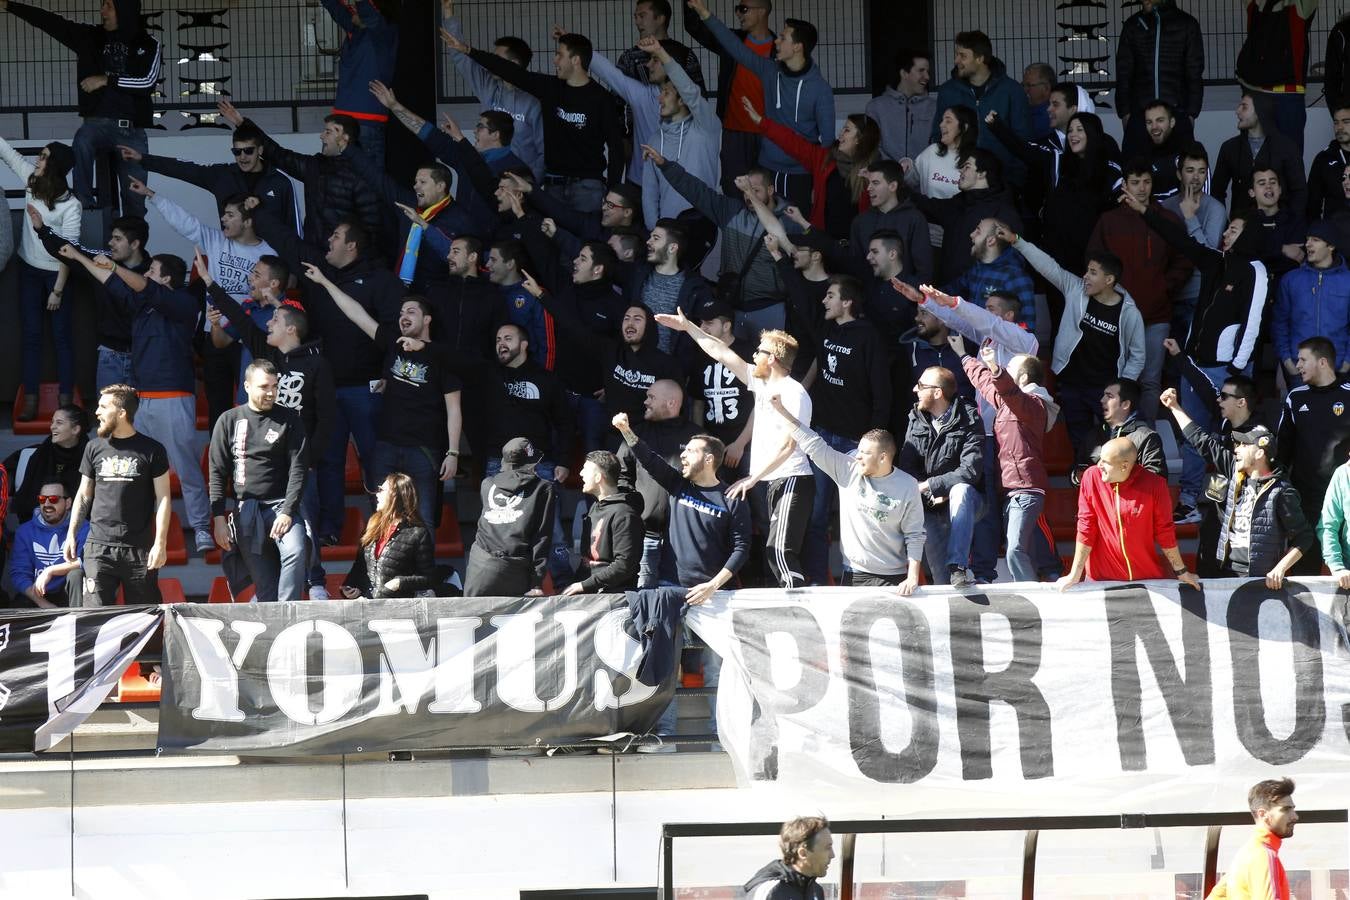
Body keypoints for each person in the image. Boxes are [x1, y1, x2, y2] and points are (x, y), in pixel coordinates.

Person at [46, 233, 214, 554]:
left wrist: (113, 265)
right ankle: (142, 530)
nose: (147, 274)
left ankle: (202, 528)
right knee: (139, 470)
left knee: (187, 468)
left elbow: (135, 283)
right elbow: (113, 282)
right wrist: (81, 259)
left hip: (173, 396)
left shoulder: (183, 302)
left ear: (166, 278)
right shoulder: (142, 305)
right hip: (142, 399)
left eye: (152, 271)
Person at [200, 252, 337, 601]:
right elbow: (242, 324)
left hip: (299, 460)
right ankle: (268, 591)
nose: (268, 324)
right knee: (267, 538)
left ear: (290, 327)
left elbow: (326, 419)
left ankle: (316, 581)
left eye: (275, 319)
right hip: (265, 468)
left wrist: (310, 458)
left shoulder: (317, 363)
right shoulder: (270, 357)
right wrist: (211, 284)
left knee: (303, 525)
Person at [612, 412, 750, 745]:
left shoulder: (731, 499)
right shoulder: (678, 485)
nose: (683, 456)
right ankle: (665, 736)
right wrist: (627, 431)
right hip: (670, 592)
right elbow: (650, 460)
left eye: (690, 451)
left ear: (710, 458)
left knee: (717, 670)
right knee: (668, 667)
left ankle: (722, 737)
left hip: (715, 597)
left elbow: (742, 549)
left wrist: (713, 584)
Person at [660, 311, 813, 588]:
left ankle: (797, 604)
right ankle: (786, 600)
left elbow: (791, 445)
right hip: (767, 480)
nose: (754, 355)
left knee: (780, 550)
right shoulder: (761, 383)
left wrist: (752, 477)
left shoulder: (794, 392)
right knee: (772, 549)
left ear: (773, 359)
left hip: (792, 478)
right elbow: (719, 351)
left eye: (760, 351)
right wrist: (688, 326)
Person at [305, 269, 462, 528]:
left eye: (411, 312)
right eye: (401, 313)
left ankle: (422, 569)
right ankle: (384, 569)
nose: (403, 317)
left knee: (423, 522)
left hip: (424, 450)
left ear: (427, 320)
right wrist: (324, 281)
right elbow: (356, 313)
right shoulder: (394, 344)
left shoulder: (442, 357)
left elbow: (454, 409)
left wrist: (453, 452)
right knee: (384, 521)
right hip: (387, 447)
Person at [780, 271, 891, 585]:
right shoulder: (826, 327)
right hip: (823, 438)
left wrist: (873, 441)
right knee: (815, 516)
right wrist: (779, 260)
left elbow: (882, 392)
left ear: (847, 302)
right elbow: (802, 301)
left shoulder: (869, 337)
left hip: (856, 442)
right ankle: (817, 580)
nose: (824, 300)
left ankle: (855, 579)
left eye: (831, 296)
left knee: (857, 516)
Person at [997, 224, 1145, 459]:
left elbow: (1137, 355)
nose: (1085, 276)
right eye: (1087, 270)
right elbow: (1048, 267)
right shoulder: (1076, 289)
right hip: (1072, 384)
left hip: (1105, 388)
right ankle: (1084, 483)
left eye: (1093, 272)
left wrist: (1122, 387)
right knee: (1080, 441)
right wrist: (1017, 241)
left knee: (1114, 441)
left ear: (1109, 280)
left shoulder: (1129, 312)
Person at [1, 0, 161, 216]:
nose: (102, 10)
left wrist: (105, 80)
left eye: (109, 6)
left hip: (131, 131)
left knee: (135, 201)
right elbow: (52, 23)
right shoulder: (90, 36)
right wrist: (11, 6)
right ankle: (83, 205)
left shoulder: (148, 43)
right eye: (102, 5)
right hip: (96, 124)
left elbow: (147, 82)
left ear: (125, 10)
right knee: (82, 140)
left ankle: (135, 245)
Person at [443, 28, 624, 213]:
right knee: (554, 238)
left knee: (589, 240)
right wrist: (468, 51)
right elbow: (510, 71)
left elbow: (617, 148)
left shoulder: (602, 99)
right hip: (553, 184)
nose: (555, 60)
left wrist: (613, 189)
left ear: (575, 60)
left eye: (559, 55)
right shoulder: (550, 88)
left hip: (588, 187)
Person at [685, 0, 833, 213]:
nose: (776, 42)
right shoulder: (769, 71)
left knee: (797, 232)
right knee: (761, 226)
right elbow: (733, 45)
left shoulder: (821, 89)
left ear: (798, 47)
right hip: (768, 169)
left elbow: (827, 146)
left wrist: (820, 185)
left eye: (783, 38)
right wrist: (703, 12)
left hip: (801, 175)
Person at [767, 397, 922, 591]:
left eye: (865, 453)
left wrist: (912, 577)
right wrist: (782, 410)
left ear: (883, 457)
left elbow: (915, 535)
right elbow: (814, 444)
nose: (857, 456)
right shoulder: (849, 469)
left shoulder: (908, 485)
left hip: (894, 578)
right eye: (858, 450)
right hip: (853, 574)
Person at [651, 151, 800, 338]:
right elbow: (697, 191)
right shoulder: (732, 211)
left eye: (755, 190)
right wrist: (665, 165)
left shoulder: (789, 221)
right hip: (731, 305)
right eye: (746, 190)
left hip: (770, 307)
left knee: (767, 365)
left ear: (770, 190)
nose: (748, 196)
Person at [1088, 165, 1192, 422]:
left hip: (1156, 315)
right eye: (1135, 182)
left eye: (1146, 181)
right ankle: (1114, 440)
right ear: (1125, 185)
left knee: (1150, 382)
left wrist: (1164, 287)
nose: (1142, 188)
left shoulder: (1166, 219)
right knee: (1115, 379)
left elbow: (1185, 258)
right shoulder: (1109, 221)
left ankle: (1146, 441)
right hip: (1116, 314)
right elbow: (1094, 261)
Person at [216, 100, 384, 249]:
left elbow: (373, 227)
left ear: (345, 138)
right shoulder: (314, 166)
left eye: (328, 132)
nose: (321, 136)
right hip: (314, 257)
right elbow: (277, 154)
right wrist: (241, 123)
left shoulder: (364, 173)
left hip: (346, 262)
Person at [208, 360, 308, 604]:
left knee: (295, 550)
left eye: (275, 386)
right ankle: (274, 632)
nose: (271, 392)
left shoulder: (289, 418)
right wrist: (219, 519)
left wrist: (288, 511)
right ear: (247, 386)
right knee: (265, 587)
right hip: (247, 510)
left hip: (281, 506)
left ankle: (287, 612)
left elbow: (299, 468)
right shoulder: (229, 420)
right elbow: (217, 472)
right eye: (264, 387)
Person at [66, 384, 172, 607]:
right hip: (98, 547)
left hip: (139, 549)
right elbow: (84, 494)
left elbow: (163, 498)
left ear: (122, 413)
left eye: (103, 407)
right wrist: (71, 533)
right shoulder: (93, 447)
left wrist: (160, 543)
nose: (97, 412)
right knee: (94, 618)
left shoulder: (153, 450)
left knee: (145, 619)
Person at [956, 341, 1051, 583]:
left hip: (1026, 489)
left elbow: (1007, 390)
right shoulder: (1008, 403)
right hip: (1011, 490)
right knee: (1020, 549)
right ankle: (1038, 584)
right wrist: (964, 356)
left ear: (1024, 376)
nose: (1004, 370)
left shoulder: (1035, 403)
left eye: (1010, 368)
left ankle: (1032, 595)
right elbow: (986, 384)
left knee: (1015, 550)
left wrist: (994, 367)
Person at [0, 137, 79, 418]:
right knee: (31, 336)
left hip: (57, 274)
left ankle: (66, 401)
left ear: (54, 166)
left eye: (43, 157)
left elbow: (69, 253)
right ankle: (30, 399)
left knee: (61, 338)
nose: (37, 160)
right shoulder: (33, 181)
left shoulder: (71, 206)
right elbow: (8, 154)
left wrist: (57, 290)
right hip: (29, 270)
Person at [1057, 437, 1198, 590]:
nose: (1099, 465)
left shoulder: (1155, 484)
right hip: (1100, 579)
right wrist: (1075, 574)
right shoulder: (1091, 477)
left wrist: (1182, 572)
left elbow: (1165, 531)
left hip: (1145, 579)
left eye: (1106, 462)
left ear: (1124, 466)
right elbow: (1086, 526)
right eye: (1100, 459)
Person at [1160, 368, 1260, 573]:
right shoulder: (1225, 421)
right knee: (1206, 566)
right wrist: (1180, 358)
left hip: (1244, 524)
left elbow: (1203, 442)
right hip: (1218, 514)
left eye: (1224, 396)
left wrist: (1176, 409)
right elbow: (1204, 387)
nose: (1218, 400)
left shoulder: (1259, 438)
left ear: (1241, 402)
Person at [738, 97, 879, 241]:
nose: (841, 134)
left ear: (860, 139)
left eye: (847, 130)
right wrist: (761, 122)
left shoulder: (874, 172)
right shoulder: (824, 158)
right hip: (824, 245)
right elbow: (792, 142)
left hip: (857, 248)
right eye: (843, 128)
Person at [121, 121, 300, 232]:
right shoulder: (221, 175)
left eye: (248, 151)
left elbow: (294, 227)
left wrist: (293, 270)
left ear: (260, 150)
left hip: (272, 263)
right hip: (232, 259)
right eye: (237, 151)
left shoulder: (281, 182)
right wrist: (143, 159)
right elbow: (184, 168)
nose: (242, 157)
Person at [439, 0, 544, 180]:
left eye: (496, 60)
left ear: (513, 65)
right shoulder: (488, 85)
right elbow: (461, 57)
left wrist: (531, 185)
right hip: (488, 177)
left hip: (520, 185)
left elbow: (544, 152)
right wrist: (448, 12)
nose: (490, 64)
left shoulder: (534, 101)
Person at [899, 365, 984, 587]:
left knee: (960, 490)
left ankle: (959, 566)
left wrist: (933, 487)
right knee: (942, 582)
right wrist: (930, 494)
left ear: (937, 392)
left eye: (920, 386)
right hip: (929, 504)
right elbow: (908, 466)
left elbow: (970, 470)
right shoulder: (916, 417)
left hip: (967, 500)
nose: (914, 390)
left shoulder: (969, 417)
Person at [682, 0, 774, 195]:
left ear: (762, 11)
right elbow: (694, 26)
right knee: (734, 192)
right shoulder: (731, 41)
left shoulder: (780, 48)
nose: (738, 14)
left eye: (743, 9)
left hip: (769, 135)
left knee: (768, 193)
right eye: (737, 9)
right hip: (734, 134)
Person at [615, 379, 701, 587]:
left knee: (683, 599)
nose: (645, 402)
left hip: (685, 539)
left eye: (651, 397)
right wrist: (632, 515)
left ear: (671, 403)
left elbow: (707, 482)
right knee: (645, 596)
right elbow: (621, 477)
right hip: (645, 536)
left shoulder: (696, 438)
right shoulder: (636, 434)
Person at [1277, 337, 1350, 574]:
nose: (1297, 365)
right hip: (1305, 501)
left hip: (1343, 502)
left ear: (1322, 362)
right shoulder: (1295, 398)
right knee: (1303, 577)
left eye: (1302, 359)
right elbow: (1282, 452)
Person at [635, 39, 721, 229]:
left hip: (702, 228)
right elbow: (649, 194)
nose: (659, 98)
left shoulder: (706, 129)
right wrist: (654, 232)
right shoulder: (655, 139)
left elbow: (690, 91)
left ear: (682, 100)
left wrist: (660, 52)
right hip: (667, 232)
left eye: (665, 93)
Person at [930, 30, 1032, 187]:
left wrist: (1015, 182)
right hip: (955, 181)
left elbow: (1023, 140)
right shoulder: (947, 91)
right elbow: (938, 135)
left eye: (963, 56)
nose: (956, 60)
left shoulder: (1012, 91)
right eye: (957, 54)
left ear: (980, 58)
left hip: (1001, 182)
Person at [908, 146, 1022, 283]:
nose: (960, 170)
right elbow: (927, 206)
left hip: (981, 298)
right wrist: (898, 186)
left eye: (967, 167)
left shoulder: (1003, 212)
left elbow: (1015, 258)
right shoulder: (959, 202)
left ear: (981, 174)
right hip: (950, 294)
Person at [464, 437, 558, 596]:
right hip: (516, 567)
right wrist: (537, 581)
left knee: (473, 619)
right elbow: (542, 537)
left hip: (479, 566)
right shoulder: (544, 488)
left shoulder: (487, 484)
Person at [1114, 0, 1204, 159]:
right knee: (1136, 173)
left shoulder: (1187, 24)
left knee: (1179, 172)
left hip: (1177, 114)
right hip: (1139, 116)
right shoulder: (1132, 25)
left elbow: (1194, 73)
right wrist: (1125, 113)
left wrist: (1191, 113)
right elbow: (1123, 74)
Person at [1159, 143, 1227, 343]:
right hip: (1168, 293)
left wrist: (1190, 216)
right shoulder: (1166, 206)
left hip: (1198, 295)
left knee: (1189, 358)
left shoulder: (1215, 208)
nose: (1196, 177)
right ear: (1179, 174)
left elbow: (1207, 256)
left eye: (1201, 171)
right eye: (1190, 171)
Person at [319, 0, 397, 171]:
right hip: (344, 122)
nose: (351, 11)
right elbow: (335, 8)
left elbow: (369, 14)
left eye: (354, 9)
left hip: (365, 123)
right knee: (339, 185)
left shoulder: (383, 32)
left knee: (368, 187)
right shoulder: (357, 31)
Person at [1235, 0, 1317, 153]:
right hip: (1257, 92)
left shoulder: (1298, 5)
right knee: (1254, 159)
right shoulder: (1256, 3)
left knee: (1289, 158)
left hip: (1286, 93)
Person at [340, 473, 437, 600]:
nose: (377, 494)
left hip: (398, 607)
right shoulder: (372, 527)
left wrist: (400, 583)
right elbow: (360, 567)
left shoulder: (417, 533)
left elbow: (429, 578)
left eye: (382, 490)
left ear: (396, 496)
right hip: (369, 605)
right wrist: (351, 587)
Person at [1273, 222, 1350, 379]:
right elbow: (1279, 323)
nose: (1308, 244)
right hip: (1299, 369)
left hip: (1338, 369)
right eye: (1307, 239)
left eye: (1315, 239)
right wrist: (1288, 361)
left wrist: (1347, 363)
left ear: (1331, 246)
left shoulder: (1348, 281)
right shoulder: (1291, 279)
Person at [561, 450, 643, 594]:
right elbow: (587, 559)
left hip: (613, 597)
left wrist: (583, 586)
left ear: (598, 477)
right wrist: (577, 585)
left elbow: (624, 566)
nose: (580, 474)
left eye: (585, 470)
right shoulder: (595, 507)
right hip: (590, 593)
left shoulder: (624, 514)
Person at [1211, 93, 1307, 215]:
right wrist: (1223, 223)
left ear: (1259, 112)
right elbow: (1217, 191)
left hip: (1279, 226)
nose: (1237, 111)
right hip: (1243, 227)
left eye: (1244, 107)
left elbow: (1299, 191)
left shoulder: (1286, 147)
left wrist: (1291, 224)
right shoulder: (1230, 148)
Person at [1205, 778, 1297, 900]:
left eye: (1293, 809)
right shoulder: (1264, 855)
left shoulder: (1246, 853)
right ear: (1263, 814)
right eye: (1286, 810)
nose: (1295, 816)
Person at [849, 160, 933, 283]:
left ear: (893, 186)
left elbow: (924, 270)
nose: (869, 188)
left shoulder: (914, 219)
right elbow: (855, 266)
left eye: (875, 183)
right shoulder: (860, 221)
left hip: (904, 298)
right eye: (869, 183)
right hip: (868, 298)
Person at [3, 404, 88, 526]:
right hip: (40, 522)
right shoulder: (42, 453)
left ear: (75, 429)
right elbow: (28, 500)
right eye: (52, 422)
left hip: (78, 525)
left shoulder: (89, 455)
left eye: (59, 423)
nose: (52, 427)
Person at [11, 480, 87, 609]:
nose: (46, 504)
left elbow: (85, 561)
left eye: (53, 499)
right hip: (37, 595)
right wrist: (43, 604)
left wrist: (50, 570)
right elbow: (19, 574)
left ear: (68, 503)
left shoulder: (83, 527)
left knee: (76, 574)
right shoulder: (25, 531)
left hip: (68, 593)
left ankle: (78, 622)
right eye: (42, 499)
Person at [868, 48, 935, 165]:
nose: (927, 76)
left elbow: (937, 145)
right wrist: (893, 172)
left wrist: (916, 172)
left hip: (923, 179)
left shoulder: (934, 107)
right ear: (904, 73)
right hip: (888, 178)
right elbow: (873, 147)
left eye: (927, 71)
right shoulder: (876, 107)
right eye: (921, 71)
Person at [743, 816, 834, 900]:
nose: (832, 855)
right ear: (803, 853)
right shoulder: (770, 892)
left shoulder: (815, 890)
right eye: (827, 848)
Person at [1308, 106, 1350, 221]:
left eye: (1346, 122)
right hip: (1334, 232)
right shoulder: (1323, 159)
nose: (1339, 127)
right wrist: (1317, 233)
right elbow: (1312, 203)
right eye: (1336, 123)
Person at [1021, 62, 1055, 142]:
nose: (1025, 90)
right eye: (1023, 85)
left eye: (1029, 85)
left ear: (1046, 88)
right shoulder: (1024, 109)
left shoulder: (1051, 117)